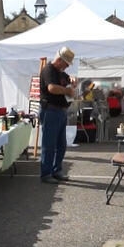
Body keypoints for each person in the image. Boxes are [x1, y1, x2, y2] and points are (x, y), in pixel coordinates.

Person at [39, 46, 77, 184]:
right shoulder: (48, 70)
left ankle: (56, 170)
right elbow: (52, 88)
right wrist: (67, 91)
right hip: (51, 110)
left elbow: (68, 79)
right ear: (60, 60)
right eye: (66, 64)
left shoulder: (60, 72)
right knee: (49, 144)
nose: (67, 67)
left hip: (59, 111)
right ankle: (46, 173)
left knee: (61, 144)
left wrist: (72, 78)